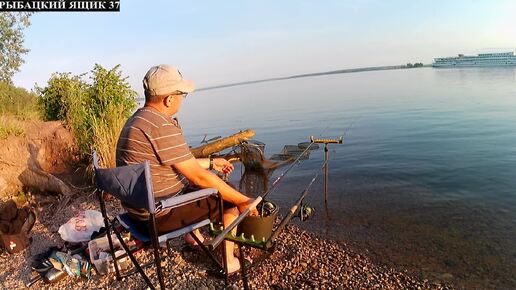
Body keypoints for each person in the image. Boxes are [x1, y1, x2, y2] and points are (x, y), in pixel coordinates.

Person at [116, 64, 257, 274]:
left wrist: (211, 162)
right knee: (227, 199)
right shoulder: (161, 125)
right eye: (181, 94)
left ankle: (193, 236)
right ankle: (228, 261)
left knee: (196, 184)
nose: (182, 98)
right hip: (157, 217)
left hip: (137, 213)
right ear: (169, 98)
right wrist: (243, 200)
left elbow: (176, 163)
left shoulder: (137, 121)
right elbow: (199, 177)